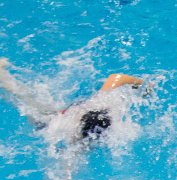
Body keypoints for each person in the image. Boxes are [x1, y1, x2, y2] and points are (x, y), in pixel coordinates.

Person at [0, 57, 145, 142]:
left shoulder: (102, 101)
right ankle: (3, 78)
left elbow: (116, 77)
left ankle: (3, 77)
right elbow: (67, 168)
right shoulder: (78, 139)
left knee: (26, 100)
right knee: (26, 104)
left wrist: (143, 84)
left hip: (61, 115)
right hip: (49, 122)